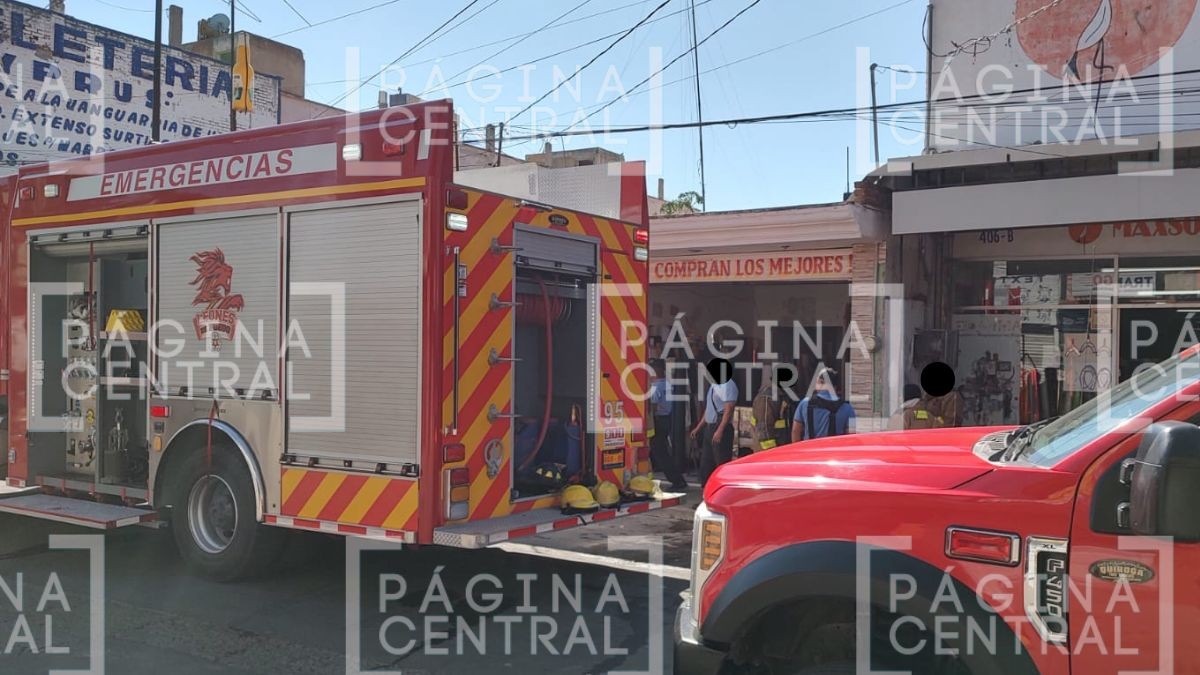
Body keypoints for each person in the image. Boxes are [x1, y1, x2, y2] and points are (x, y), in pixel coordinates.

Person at [690, 362, 738, 486]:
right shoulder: (714, 386)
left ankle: (722, 492)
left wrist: (720, 430)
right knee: (706, 463)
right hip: (710, 428)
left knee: (720, 463)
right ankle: (705, 493)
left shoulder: (728, 385)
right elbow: (709, 409)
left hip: (720, 427)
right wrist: (698, 428)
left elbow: (729, 408)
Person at [648, 358, 688, 490]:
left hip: (658, 421)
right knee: (661, 451)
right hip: (666, 419)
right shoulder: (667, 384)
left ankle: (677, 480)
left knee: (660, 452)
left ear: (658, 369)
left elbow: (653, 406)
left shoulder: (656, 386)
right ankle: (675, 478)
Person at [791, 367, 856, 442]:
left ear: (820, 382)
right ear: (835, 386)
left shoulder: (804, 403)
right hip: (834, 452)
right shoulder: (848, 409)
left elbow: (795, 431)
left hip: (809, 452)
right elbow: (852, 436)